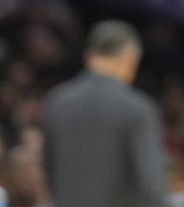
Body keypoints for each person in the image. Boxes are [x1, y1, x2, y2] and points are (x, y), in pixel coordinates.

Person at [42, 19, 170, 207]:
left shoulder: (58, 101)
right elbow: (151, 184)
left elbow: (50, 171)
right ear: (129, 60)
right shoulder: (138, 108)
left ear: (89, 56)